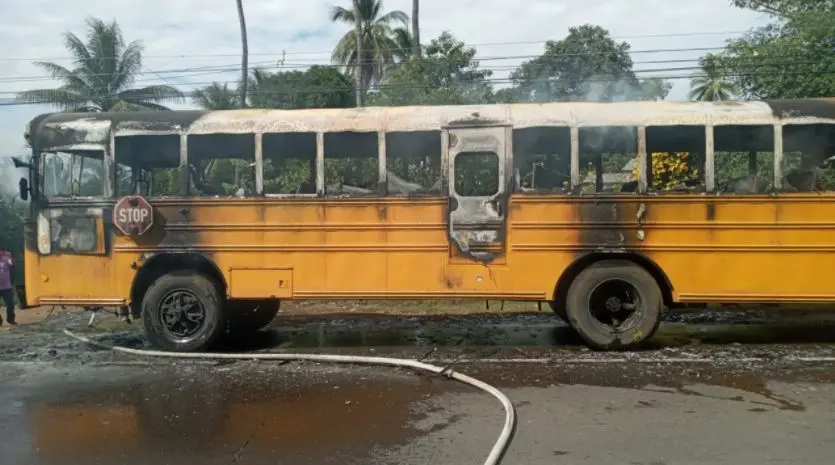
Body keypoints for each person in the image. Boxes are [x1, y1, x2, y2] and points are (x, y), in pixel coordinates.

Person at [0, 250, 15, 325]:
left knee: (10, 305)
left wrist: (8, 257)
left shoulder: (6, 258)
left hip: (7, 287)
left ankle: (11, 319)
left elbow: (11, 264)